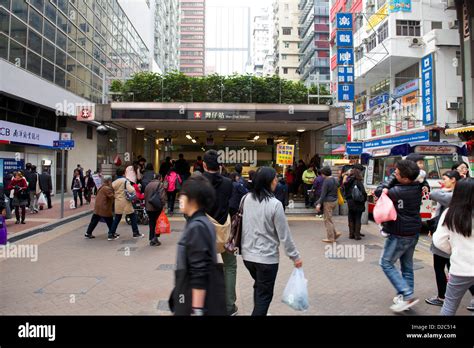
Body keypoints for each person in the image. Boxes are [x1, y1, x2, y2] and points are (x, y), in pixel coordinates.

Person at [241, 167, 302, 316]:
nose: (276, 181)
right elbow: (285, 235)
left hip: (248, 257)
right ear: (268, 182)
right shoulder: (275, 204)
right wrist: (295, 256)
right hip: (266, 259)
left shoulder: (246, 198)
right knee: (265, 296)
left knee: (259, 287)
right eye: (275, 178)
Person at [169, 175, 226, 316]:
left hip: (194, 301)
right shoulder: (202, 222)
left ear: (193, 199)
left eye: (183, 195)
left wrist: (197, 310)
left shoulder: (197, 227)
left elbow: (199, 272)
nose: (180, 198)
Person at [375, 160, 422, 312]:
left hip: (400, 234)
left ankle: (407, 295)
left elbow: (379, 191)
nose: (394, 174)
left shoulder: (397, 192)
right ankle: (405, 298)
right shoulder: (417, 187)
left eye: (397, 173)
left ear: (406, 178)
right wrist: (397, 175)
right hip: (413, 232)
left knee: (386, 263)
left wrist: (391, 179)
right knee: (407, 267)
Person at [202, 149, 236, 316]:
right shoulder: (228, 183)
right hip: (225, 231)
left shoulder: (197, 182)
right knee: (230, 266)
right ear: (220, 165)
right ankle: (229, 306)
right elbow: (233, 207)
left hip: (203, 233)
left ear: (203, 164)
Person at [433, 178, 474, 315]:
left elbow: (439, 241)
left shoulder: (450, 213)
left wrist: (454, 250)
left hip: (460, 268)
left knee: (449, 305)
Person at [425, 170, 462, 306]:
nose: (442, 181)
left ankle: (442, 297)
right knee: (454, 267)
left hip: (446, 237)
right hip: (453, 236)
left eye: (445, 178)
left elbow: (433, 194)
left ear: (453, 180)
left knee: (440, 267)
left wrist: (445, 188)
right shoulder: (461, 194)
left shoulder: (452, 196)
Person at [109, 167, 144, 240]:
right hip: (125, 202)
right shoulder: (125, 181)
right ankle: (136, 233)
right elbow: (131, 190)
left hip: (117, 202)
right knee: (133, 216)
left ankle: (111, 234)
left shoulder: (114, 182)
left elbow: (111, 190)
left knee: (117, 218)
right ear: (123, 173)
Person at [315, 167, 341, 243]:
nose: (321, 175)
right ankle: (335, 234)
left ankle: (330, 238)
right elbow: (339, 186)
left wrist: (319, 204)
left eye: (322, 174)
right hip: (335, 201)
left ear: (324, 174)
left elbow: (323, 194)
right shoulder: (335, 179)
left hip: (328, 202)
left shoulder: (326, 181)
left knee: (327, 220)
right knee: (329, 219)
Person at [343, 168, 367, 240]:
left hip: (350, 202)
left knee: (350, 218)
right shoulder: (358, 182)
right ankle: (357, 235)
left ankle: (351, 234)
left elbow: (345, 192)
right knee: (357, 218)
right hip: (358, 202)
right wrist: (364, 199)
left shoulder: (348, 182)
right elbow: (363, 192)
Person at [144, 173, 167, 246]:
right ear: (160, 178)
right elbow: (162, 196)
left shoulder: (148, 185)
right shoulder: (160, 184)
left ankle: (152, 238)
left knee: (151, 222)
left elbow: (145, 196)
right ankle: (155, 239)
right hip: (156, 207)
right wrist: (163, 205)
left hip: (148, 207)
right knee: (157, 223)